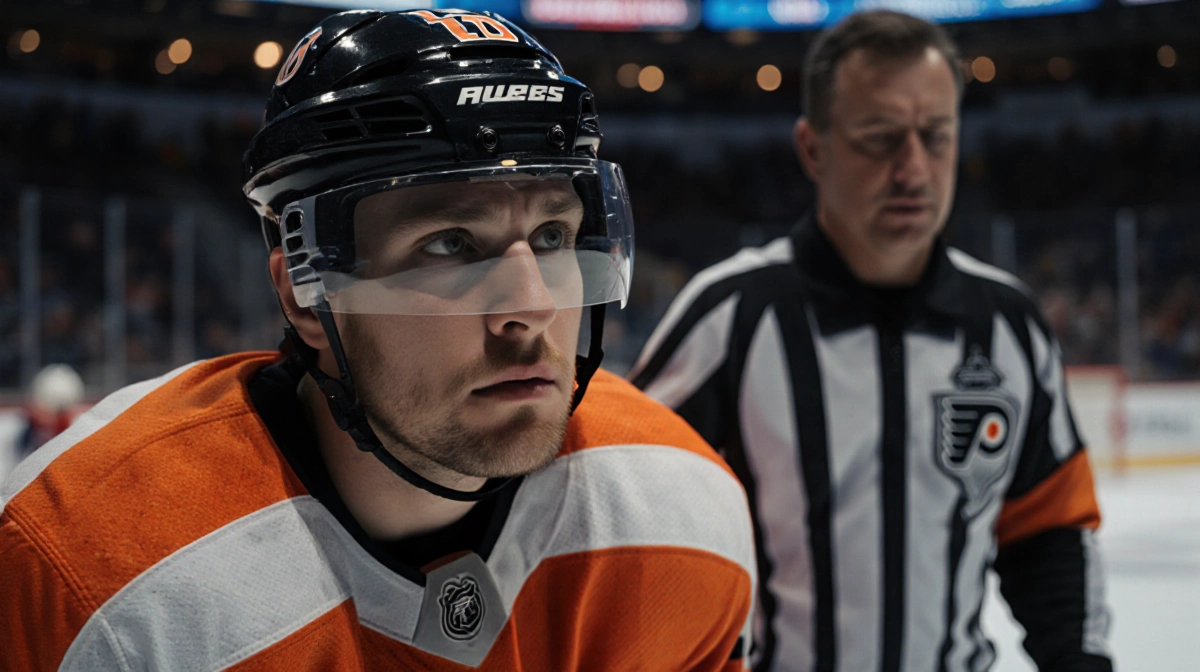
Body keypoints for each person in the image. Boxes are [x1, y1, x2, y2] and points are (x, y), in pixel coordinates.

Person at [0, 10, 755, 670]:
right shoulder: (86, 566)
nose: (528, 306)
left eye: (553, 235)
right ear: (303, 291)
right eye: (452, 244)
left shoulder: (679, 510)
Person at [630, 10, 1111, 672]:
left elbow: (1049, 531)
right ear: (813, 149)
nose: (913, 169)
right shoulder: (731, 316)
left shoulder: (1008, 326)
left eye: (935, 136)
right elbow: (625, 518)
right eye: (880, 139)